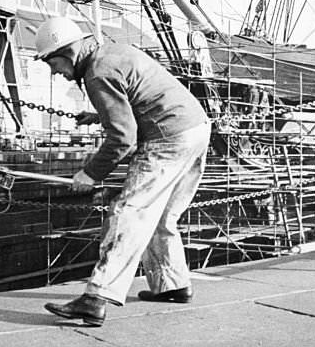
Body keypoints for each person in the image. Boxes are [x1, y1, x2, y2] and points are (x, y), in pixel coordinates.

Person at [36, 17, 212, 327]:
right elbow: (140, 94)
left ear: (69, 51)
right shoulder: (114, 52)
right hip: (195, 129)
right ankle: (172, 284)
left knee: (127, 211)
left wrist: (91, 174)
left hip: (167, 137)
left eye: (52, 63)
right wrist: (99, 113)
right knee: (160, 216)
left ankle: (96, 298)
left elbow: (122, 139)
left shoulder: (96, 74)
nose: (55, 73)